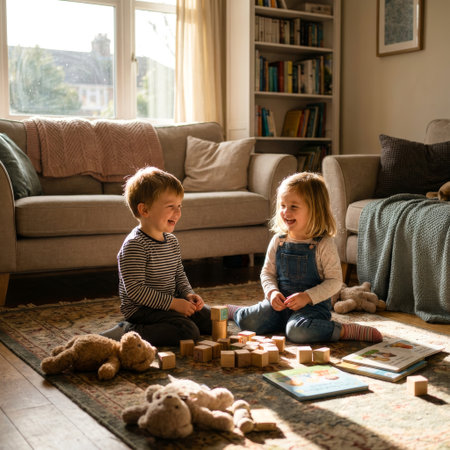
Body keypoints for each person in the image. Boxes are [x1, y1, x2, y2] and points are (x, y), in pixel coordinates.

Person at [227, 172, 382, 344]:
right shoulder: (278, 240)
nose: (285, 212)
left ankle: (344, 330)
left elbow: (335, 281)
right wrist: (271, 293)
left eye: (294, 206)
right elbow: (267, 273)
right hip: (279, 306)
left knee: (297, 332)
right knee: (251, 322)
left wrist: (307, 297)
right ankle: (238, 312)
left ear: (315, 210)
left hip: (312, 309)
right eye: (283, 205)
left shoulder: (323, 244)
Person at [100, 166, 211, 346]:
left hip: (168, 303)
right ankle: (128, 331)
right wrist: (174, 304)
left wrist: (188, 294)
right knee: (187, 331)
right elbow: (136, 292)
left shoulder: (172, 241)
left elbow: (179, 274)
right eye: (170, 207)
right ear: (145, 210)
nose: (178, 212)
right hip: (142, 310)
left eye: (179, 206)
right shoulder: (135, 245)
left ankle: (175, 317)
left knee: (210, 319)